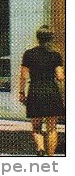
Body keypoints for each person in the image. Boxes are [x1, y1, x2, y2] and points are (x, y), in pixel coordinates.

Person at [19, 27, 65, 156]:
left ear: (37, 38)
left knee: (36, 127)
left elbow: (23, 76)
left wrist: (21, 93)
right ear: (51, 38)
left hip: (35, 91)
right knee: (52, 128)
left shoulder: (28, 54)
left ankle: (40, 149)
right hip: (51, 91)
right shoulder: (55, 55)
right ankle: (50, 157)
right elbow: (60, 77)